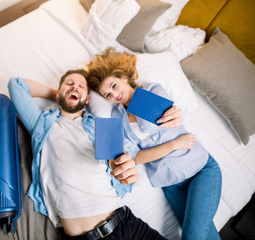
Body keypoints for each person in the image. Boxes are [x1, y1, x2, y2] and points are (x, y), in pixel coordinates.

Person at [8, 70, 169, 239]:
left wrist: (125, 168)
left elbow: (120, 162)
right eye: (69, 84)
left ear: (88, 99)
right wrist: (57, 95)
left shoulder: (101, 124)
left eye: (81, 86)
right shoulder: (42, 124)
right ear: (59, 91)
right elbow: (16, 85)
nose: (74, 88)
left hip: (129, 225)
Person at [85, 48, 222, 240]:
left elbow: (155, 120)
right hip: (170, 183)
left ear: (124, 78)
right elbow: (135, 158)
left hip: (200, 169)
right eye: (107, 95)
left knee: (193, 236)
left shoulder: (152, 89)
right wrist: (173, 145)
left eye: (114, 86)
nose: (114, 95)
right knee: (205, 235)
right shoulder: (116, 116)